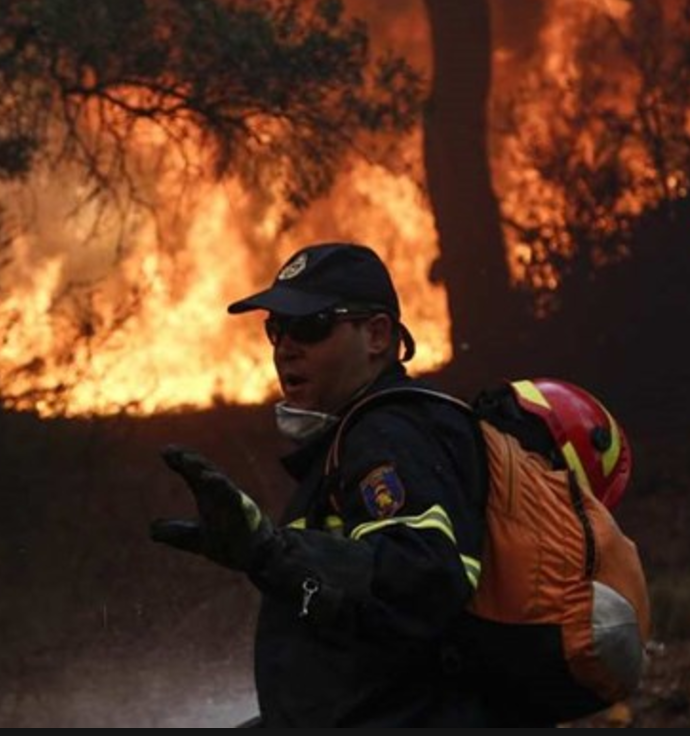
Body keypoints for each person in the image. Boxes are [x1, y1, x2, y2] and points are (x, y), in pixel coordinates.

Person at [150, 242, 495, 726]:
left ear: (377, 335)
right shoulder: (356, 438)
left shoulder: (388, 435)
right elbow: (356, 647)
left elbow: (423, 580)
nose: (287, 346)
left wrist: (270, 552)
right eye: (277, 329)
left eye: (311, 326)